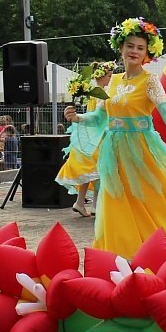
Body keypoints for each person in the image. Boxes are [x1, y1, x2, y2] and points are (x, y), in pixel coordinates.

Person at [63, 18, 166, 257]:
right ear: (121, 48)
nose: (134, 51)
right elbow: (99, 116)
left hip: (142, 149)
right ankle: (122, 254)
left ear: (148, 53)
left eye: (140, 47)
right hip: (113, 153)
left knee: (154, 197)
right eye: (130, 45)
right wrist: (78, 118)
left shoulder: (150, 81)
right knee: (117, 202)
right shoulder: (112, 81)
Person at [58, 61, 116, 217]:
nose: (111, 79)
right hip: (99, 135)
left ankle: (80, 201)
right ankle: (95, 204)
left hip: (86, 136)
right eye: (109, 76)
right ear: (102, 76)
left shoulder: (90, 92)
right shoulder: (102, 94)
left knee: (89, 171)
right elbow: (99, 117)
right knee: (99, 170)